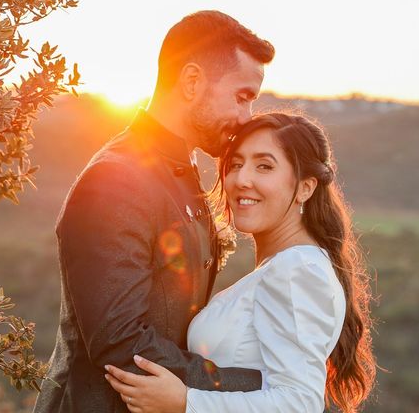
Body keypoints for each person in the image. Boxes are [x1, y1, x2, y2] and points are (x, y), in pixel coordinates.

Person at [33, 10, 275, 412]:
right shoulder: (115, 180)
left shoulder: (180, 171)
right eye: (242, 97)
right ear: (192, 81)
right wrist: (254, 383)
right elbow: (120, 343)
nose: (245, 117)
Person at [104, 113, 377, 413]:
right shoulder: (286, 266)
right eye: (236, 164)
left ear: (305, 188)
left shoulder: (297, 270)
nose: (242, 179)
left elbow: (299, 402)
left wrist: (185, 403)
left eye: (264, 166)